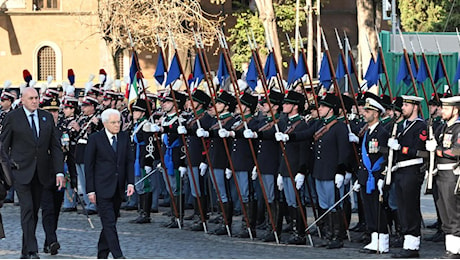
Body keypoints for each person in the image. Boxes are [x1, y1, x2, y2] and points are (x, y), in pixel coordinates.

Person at [0, 87, 65, 259]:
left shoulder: (46, 117)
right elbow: (3, 147)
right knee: (27, 209)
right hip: (20, 172)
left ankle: (25, 250)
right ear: (22, 100)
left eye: (36, 98)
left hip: (41, 173)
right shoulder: (13, 118)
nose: (35, 101)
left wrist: (59, 172)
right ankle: (32, 250)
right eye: (31, 98)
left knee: (34, 211)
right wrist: (4, 173)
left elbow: (55, 147)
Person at [84, 108, 134, 259]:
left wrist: (130, 183)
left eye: (119, 121)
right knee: (109, 223)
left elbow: (129, 162)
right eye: (113, 122)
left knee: (109, 224)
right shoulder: (95, 139)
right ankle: (118, 256)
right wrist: (90, 190)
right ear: (105, 123)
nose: (117, 125)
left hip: (118, 187)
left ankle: (102, 253)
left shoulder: (124, 137)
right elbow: (89, 166)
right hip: (101, 187)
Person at [387, 95, 426, 258]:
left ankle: (413, 245)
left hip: (412, 170)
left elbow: (419, 150)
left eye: (406, 105)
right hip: (400, 170)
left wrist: (400, 148)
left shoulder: (420, 126)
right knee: (402, 208)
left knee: (410, 208)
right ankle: (407, 242)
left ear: (415, 107)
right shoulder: (402, 125)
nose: (402, 108)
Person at [425, 95, 460, 259]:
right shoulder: (444, 128)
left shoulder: (458, 128)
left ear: (455, 110)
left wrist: (436, 149)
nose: (443, 111)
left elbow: (456, 151)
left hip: (452, 175)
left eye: (446, 108)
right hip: (440, 174)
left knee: (453, 213)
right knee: (444, 213)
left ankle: (456, 250)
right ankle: (450, 248)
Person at [356, 96, 390, 254]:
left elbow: (385, 156)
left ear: (376, 114)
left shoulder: (382, 132)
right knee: (369, 209)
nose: (364, 113)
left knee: (378, 209)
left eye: (368, 111)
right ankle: (373, 239)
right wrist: (360, 177)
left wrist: (382, 177)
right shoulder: (368, 131)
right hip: (366, 177)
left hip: (376, 177)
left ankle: (382, 241)